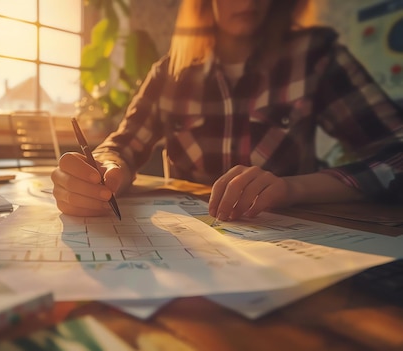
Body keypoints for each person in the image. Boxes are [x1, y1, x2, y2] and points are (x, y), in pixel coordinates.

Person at [51, 0, 403, 221]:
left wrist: (291, 189)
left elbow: (397, 154)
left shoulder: (314, 57)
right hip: (192, 249)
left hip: (287, 243)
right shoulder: (168, 73)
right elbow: (121, 146)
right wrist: (103, 170)